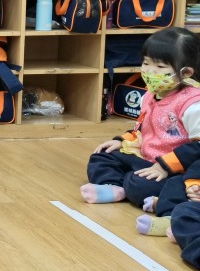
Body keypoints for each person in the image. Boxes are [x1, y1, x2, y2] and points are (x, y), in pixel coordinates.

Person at [82, 27, 200, 207]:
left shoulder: (192, 104)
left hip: (176, 169)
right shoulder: (151, 94)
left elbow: (197, 148)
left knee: (140, 186)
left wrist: (164, 166)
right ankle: (113, 187)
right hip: (148, 158)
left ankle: (130, 188)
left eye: (160, 67)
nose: (150, 71)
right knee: (102, 156)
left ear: (186, 73)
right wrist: (123, 141)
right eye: (146, 63)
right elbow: (144, 127)